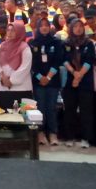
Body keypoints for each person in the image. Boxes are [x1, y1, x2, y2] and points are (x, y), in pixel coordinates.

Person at [61, 19, 96, 148]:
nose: (78, 29)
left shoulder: (89, 43)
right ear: (71, 28)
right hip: (69, 81)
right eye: (75, 26)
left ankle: (85, 138)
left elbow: (89, 60)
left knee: (86, 110)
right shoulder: (66, 43)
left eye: (80, 26)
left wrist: (79, 75)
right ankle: (70, 137)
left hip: (85, 81)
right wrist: (73, 73)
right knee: (69, 110)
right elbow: (64, 59)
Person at [29, 17, 65, 146]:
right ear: (38, 28)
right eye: (41, 25)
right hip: (38, 81)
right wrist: (40, 77)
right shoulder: (32, 43)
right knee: (40, 108)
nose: (44, 27)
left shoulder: (57, 42)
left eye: (46, 25)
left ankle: (53, 133)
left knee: (52, 108)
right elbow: (32, 64)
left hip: (53, 81)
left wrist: (48, 77)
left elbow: (58, 60)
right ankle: (40, 133)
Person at [0, 20, 33, 110]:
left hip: (21, 89)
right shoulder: (2, 46)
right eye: (8, 30)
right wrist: (2, 76)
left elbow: (25, 67)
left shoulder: (25, 47)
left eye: (13, 30)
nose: (9, 33)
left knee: (20, 119)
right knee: (4, 119)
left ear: (19, 32)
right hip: (4, 89)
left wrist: (11, 81)